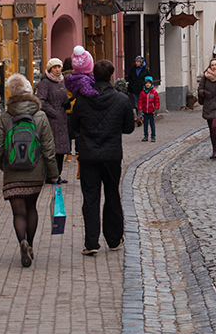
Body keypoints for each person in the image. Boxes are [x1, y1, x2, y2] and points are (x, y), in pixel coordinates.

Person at [69, 59, 136, 255]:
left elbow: (73, 126)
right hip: (112, 155)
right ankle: (114, 239)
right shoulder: (121, 99)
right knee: (112, 195)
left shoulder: (82, 100)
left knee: (90, 198)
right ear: (111, 76)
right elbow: (129, 128)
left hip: (89, 155)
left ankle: (91, 243)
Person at [0, 73, 59, 267]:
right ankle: (30, 244)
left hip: (13, 173)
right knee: (31, 208)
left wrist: (5, 166)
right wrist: (53, 174)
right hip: (35, 172)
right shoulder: (40, 116)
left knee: (18, 213)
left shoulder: (5, 117)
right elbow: (49, 147)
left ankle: (21, 241)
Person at [36, 58, 71, 182]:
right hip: (52, 120)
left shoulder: (61, 81)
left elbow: (64, 96)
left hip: (62, 119)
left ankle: (57, 175)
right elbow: (41, 101)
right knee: (52, 149)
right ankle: (50, 175)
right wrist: (53, 112)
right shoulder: (46, 82)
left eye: (59, 67)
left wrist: (68, 104)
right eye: (54, 67)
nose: (57, 70)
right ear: (50, 69)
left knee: (61, 150)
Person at [127, 55, 149, 126]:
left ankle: (141, 117)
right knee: (136, 103)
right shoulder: (133, 70)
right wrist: (130, 86)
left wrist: (146, 87)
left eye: (138, 62)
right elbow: (129, 78)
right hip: (134, 89)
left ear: (141, 62)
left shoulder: (145, 71)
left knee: (141, 103)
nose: (136, 63)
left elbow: (148, 80)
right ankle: (138, 117)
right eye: (135, 62)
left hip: (142, 90)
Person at [138, 76, 160, 142]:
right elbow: (140, 102)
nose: (147, 85)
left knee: (152, 124)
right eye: (146, 83)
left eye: (149, 83)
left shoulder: (154, 93)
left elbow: (157, 102)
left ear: (151, 84)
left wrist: (155, 110)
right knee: (145, 124)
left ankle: (153, 136)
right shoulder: (142, 93)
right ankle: (145, 135)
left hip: (151, 111)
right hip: (145, 111)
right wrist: (140, 110)